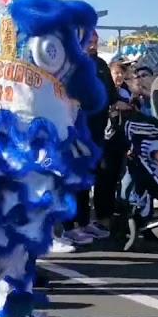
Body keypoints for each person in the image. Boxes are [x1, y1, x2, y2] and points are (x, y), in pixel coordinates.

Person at [0, 0, 106, 317]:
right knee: (18, 224)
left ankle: (16, 300)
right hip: (33, 145)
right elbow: (88, 89)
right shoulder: (52, 24)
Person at [62, 31, 119, 244]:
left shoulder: (102, 64)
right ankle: (68, 226)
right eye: (89, 42)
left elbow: (111, 95)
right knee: (72, 180)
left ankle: (84, 223)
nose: (93, 45)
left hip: (97, 132)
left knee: (87, 179)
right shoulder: (71, 64)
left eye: (96, 42)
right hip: (76, 131)